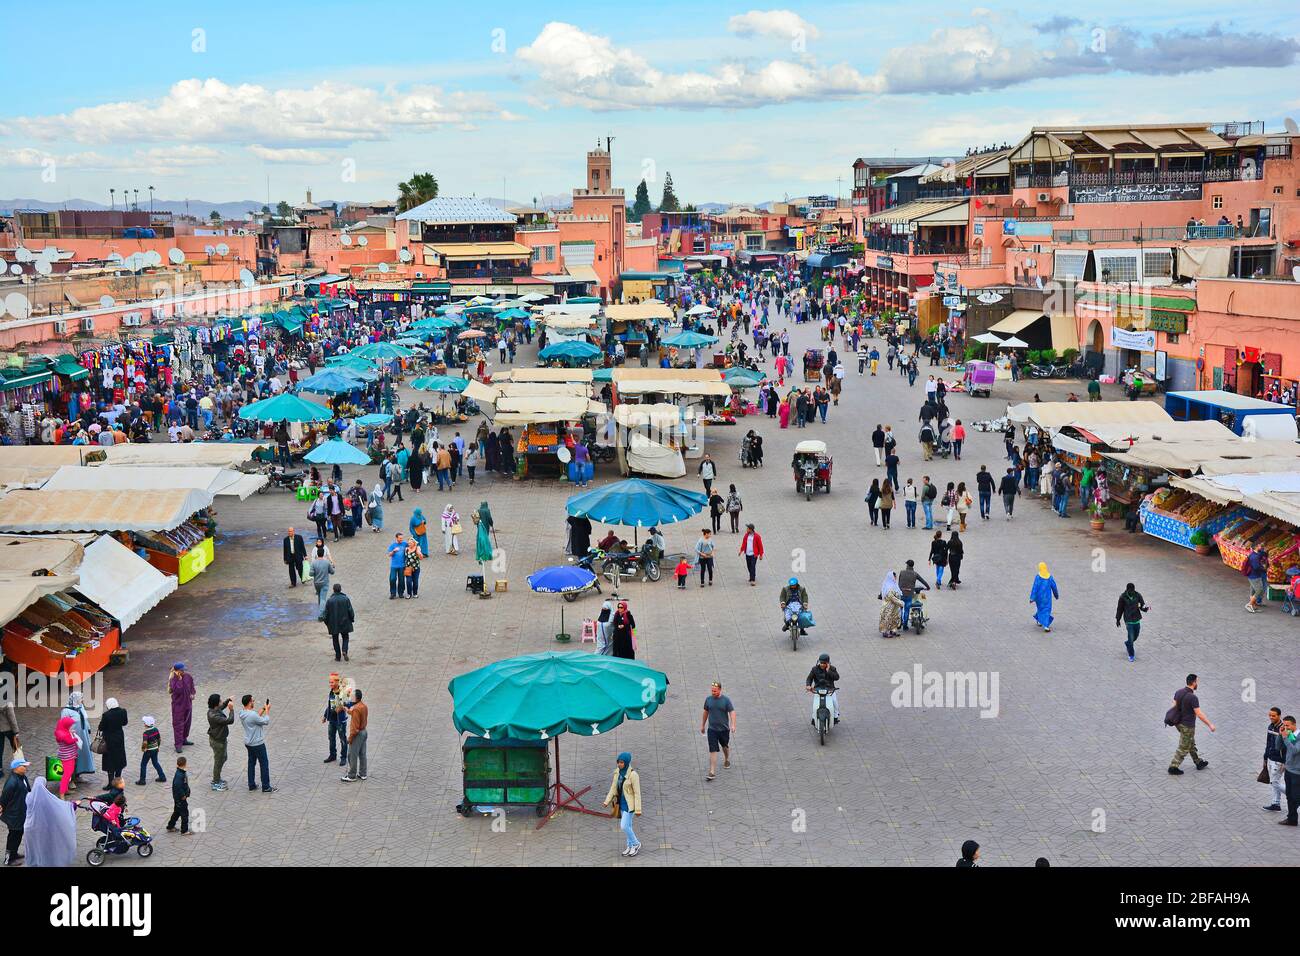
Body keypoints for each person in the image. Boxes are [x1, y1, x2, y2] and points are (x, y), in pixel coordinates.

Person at [1167, 674, 1213, 775]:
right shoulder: (1193, 697)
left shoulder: (1178, 692)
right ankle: (1173, 767)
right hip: (1188, 725)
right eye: (1197, 682)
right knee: (1184, 746)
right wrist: (1210, 725)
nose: (1197, 684)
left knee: (1190, 742)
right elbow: (1199, 714)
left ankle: (1198, 762)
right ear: (1193, 683)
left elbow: (1173, 707)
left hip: (1178, 723)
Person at [602, 752, 642, 858]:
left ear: (627, 763)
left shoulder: (633, 775)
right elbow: (613, 787)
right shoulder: (617, 773)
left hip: (630, 805)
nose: (619, 764)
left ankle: (636, 844)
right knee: (628, 825)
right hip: (621, 803)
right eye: (618, 762)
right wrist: (607, 801)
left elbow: (637, 793)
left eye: (621, 762)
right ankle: (630, 846)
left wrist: (638, 809)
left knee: (624, 826)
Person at [239, 696, 276, 793]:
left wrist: (263, 708)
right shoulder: (252, 715)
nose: (254, 702)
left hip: (248, 742)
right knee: (264, 764)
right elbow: (265, 721)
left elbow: (256, 717)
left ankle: (251, 784)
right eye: (253, 701)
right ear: (249, 703)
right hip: (257, 743)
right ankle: (266, 786)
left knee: (251, 763)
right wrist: (267, 711)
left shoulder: (242, 713)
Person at [701, 682, 736, 781]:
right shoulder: (708, 700)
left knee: (724, 746)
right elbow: (705, 712)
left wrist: (733, 725)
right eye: (712, 691)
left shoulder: (726, 700)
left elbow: (732, 712)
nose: (713, 692)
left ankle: (726, 759)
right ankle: (712, 772)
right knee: (713, 749)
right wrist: (703, 725)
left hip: (724, 730)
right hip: (712, 730)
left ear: (720, 690)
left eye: (715, 691)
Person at [59, 691, 96, 783]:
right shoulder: (66, 711)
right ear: (75, 699)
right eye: (80, 698)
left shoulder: (80, 708)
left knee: (82, 754)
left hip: (83, 736)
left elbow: (85, 719)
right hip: (73, 737)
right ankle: (71, 779)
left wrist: (88, 728)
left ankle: (78, 775)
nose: (82, 700)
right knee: (72, 756)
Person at [1, 757, 30, 864]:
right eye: (23, 766)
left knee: (19, 833)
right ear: (16, 768)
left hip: (21, 812)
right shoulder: (12, 782)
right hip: (14, 815)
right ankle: (8, 860)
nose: (26, 767)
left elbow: (28, 791)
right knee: (13, 836)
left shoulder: (23, 777)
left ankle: (14, 854)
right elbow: (4, 799)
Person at [97, 698, 128, 788]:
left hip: (109, 740)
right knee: (119, 758)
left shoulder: (106, 715)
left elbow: (101, 727)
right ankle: (118, 781)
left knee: (110, 761)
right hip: (119, 738)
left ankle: (111, 783)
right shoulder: (123, 711)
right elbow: (125, 723)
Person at [1115, 583, 1149, 662]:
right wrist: (1118, 619)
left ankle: (1127, 643)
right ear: (1127, 590)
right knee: (1131, 638)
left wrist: (1145, 609)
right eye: (1130, 590)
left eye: (1133, 590)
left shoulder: (1138, 595)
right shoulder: (1123, 597)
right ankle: (1131, 654)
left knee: (1135, 636)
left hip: (1136, 619)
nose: (1131, 591)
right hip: (1128, 620)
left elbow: (1142, 605)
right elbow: (1119, 609)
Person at [207, 694, 234, 792]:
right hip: (217, 742)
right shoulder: (214, 716)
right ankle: (215, 782)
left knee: (223, 758)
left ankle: (217, 777)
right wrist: (231, 710)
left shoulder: (214, 710)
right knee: (218, 761)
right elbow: (230, 721)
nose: (221, 702)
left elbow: (222, 707)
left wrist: (228, 700)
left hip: (221, 739)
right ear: (216, 704)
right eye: (220, 700)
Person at [341, 689, 368, 783]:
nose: (350, 697)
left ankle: (351, 775)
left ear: (356, 698)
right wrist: (347, 710)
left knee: (352, 755)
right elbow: (355, 713)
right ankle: (363, 773)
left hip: (357, 734)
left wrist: (350, 738)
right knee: (362, 754)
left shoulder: (356, 709)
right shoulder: (363, 706)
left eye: (352, 696)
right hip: (364, 732)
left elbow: (355, 728)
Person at [167, 663, 196, 753]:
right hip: (178, 707)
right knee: (178, 726)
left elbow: (192, 687)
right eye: (181, 670)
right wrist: (179, 680)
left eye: (184, 670)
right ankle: (178, 745)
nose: (183, 671)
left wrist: (192, 694)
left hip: (188, 704)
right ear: (176, 670)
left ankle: (184, 739)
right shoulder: (173, 680)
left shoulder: (188, 676)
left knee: (187, 723)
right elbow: (178, 691)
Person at [805, 653, 840, 725]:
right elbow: (809, 678)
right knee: (815, 705)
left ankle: (835, 717)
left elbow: (837, 677)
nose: (822, 664)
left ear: (828, 663)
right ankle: (814, 718)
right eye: (821, 663)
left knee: (835, 702)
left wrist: (828, 670)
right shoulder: (814, 669)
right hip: (818, 690)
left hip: (830, 690)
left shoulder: (832, 669)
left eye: (824, 663)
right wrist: (808, 685)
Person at [323, 583, 355, 662]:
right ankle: (344, 650)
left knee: (335, 639)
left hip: (333, 623)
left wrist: (327, 623)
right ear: (340, 590)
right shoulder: (345, 599)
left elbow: (325, 614)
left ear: (333, 590)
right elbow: (350, 610)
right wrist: (352, 619)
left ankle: (338, 656)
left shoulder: (330, 600)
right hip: (344, 622)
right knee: (345, 637)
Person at [323, 674, 350, 766]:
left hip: (340, 721)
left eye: (332, 682)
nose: (330, 684)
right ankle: (332, 755)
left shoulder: (343, 692)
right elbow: (330, 705)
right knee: (331, 738)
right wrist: (325, 716)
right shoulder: (331, 692)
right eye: (329, 682)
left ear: (337, 682)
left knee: (342, 739)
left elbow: (348, 704)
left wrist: (342, 708)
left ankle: (343, 757)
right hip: (332, 720)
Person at [898, 559, 930, 630]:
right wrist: (928, 587)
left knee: (900, 609)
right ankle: (905, 626)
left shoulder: (902, 572)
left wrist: (900, 589)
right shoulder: (915, 574)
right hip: (909, 594)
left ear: (907, 565)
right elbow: (923, 581)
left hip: (901, 593)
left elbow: (899, 582)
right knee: (907, 610)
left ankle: (899, 623)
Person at [1265, 706, 1286, 812]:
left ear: (1279, 716)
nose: (1271, 717)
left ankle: (1293, 794)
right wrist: (1265, 758)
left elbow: (1287, 746)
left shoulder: (1283, 728)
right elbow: (1268, 743)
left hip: (1279, 760)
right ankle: (1276, 803)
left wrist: (1285, 761)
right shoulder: (1270, 726)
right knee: (1275, 781)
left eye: (1273, 715)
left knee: (1274, 782)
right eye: (1270, 715)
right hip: (1271, 758)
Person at [135, 715, 165, 787]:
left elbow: (145, 742)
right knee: (155, 763)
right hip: (155, 749)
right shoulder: (156, 730)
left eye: (144, 722)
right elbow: (159, 739)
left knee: (143, 764)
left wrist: (143, 749)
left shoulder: (146, 733)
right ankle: (162, 777)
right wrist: (158, 747)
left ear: (146, 724)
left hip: (148, 751)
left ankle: (142, 780)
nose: (144, 724)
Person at [1029, 562, 1059, 632]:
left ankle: (1040, 621)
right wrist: (1056, 595)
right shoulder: (1049, 577)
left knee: (1040, 609)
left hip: (1039, 598)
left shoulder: (1038, 577)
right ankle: (1046, 626)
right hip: (1047, 598)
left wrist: (1032, 598)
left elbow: (1035, 587)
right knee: (1046, 610)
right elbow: (1054, 587)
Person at [166, 756, 192, 835]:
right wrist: (183, 795)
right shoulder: (180, 775)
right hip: (180, 798)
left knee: (177, 812)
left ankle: (170, 826)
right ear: (184, 764)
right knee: (184, 813)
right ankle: (184, 830)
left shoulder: (180, 772)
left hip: (178, 798)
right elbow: (178, 786)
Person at [309, 545, 335, 615]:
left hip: (316, 583)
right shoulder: (327, 562)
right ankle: (321, 614)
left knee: (320, 597)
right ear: (323, 554)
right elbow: (332, 572)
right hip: (324, 583)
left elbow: (310, 574)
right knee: (323, 598)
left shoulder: (313, 563)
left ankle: (320, 609)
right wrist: (332, 567)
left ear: (317, 554)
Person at [878, 571, 904, 638]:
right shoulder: (888, 586)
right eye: (895, 577)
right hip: (888, 606)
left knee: (895, 618)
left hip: (895, 606)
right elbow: (891, 597)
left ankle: (893, 630)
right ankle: (885, 632)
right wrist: (900, 602)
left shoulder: (894, 584)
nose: (896, 578)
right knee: (887, 618)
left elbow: (898, 593)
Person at [1244, 544, 1269, 613]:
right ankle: (1250, 604)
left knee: (1253, 591)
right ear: (1256, 547)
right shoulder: (1254, 557)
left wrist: (1265, 552)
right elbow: (1256, 567)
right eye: (1259, 546)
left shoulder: (1256, 554)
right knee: (1259, 590)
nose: (1261, 547)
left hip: (1253, 576)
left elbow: (1263, 554)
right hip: (1254, 576)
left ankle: (1253, 606)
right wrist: (1264, 569)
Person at [387, 532, 407, 599]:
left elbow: (412, 544)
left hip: (402, 565)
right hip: (394, 566)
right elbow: (389, 554)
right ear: (396, 538)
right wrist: (394, 551)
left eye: (402, 538)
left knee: (401, 580)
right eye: (400, 538)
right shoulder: (393, 545)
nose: (401, 539)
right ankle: (393, 593)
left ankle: (401, 593)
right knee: (392, 579)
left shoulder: (405, 544)